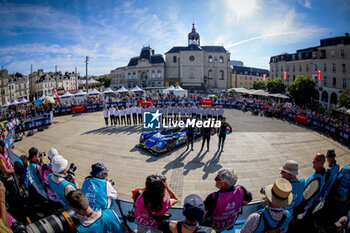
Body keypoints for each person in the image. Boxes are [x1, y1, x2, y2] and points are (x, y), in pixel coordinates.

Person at [296, 153, 326, 220]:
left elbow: (304, 198)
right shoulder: (321, 171)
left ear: (322, 163)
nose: (313, 162)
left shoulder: (316, 181)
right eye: (314, 159)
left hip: (304, 207)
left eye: (316, 160)